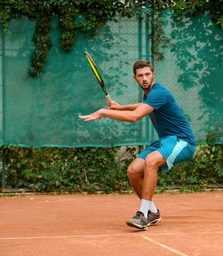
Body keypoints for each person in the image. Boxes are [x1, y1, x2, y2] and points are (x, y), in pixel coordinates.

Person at [79, 59, 196, 230]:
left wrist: (104, 112)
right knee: (133, 171)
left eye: (148, 74)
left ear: (153, 75)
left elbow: (135, 117)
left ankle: (142, 214)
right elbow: (143, 106)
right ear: (135, 78)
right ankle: (153, 211)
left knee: (151, 160)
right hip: (165, 140)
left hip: (182, 141)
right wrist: (120, 108)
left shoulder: (159, 92)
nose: (145, 78)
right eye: (140, 76)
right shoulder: (149, 95)